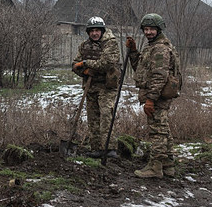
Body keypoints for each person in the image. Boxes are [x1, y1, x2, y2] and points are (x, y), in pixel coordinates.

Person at [126, 13, 181, 179]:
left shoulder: (160, 49)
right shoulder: (153, 46)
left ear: (159, 29)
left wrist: (151, 99)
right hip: (157, 94)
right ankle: (168, 164)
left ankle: (155, 167)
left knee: (157, 131)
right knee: (163, 129)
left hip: (157, 96)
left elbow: (159, 76)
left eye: (151, 29)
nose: (148, 32)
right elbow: (141, 70)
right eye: (146, 29)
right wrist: (134, 52)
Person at [72, 16, 121, 158]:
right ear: (88, 32)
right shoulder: (84, 46)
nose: (95, 33)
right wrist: (84, 70)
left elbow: (106, 63)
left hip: (107, 87)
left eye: (97, 30)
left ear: (102, 31)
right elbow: (75, 65)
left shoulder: (110, 44)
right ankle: (96, 149)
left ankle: (109, 148)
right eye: (92, 31)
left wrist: (87, 63)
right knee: (93, 118)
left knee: (106, 116)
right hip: (91, 87)